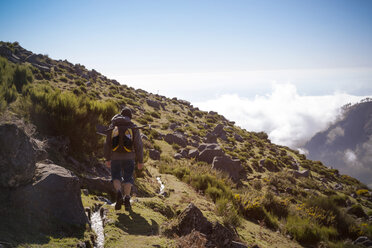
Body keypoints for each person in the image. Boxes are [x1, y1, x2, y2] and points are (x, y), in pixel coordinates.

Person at [104, 107, 144, 211]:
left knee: (116, 176)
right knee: (128, 178)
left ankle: (118, 193)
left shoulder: (113, 126)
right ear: (130, 117)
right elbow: (138, 145)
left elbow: (107, 144)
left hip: (115, 157)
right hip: (129, 157)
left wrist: (107, 158)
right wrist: (140, 161)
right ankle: (127, 199)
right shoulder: (133, 127)